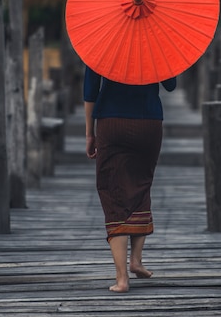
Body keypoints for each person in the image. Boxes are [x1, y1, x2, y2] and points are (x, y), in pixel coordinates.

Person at [83, 66, 177, 293]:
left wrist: (89, 132)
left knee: (112, 189)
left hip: (111, 120)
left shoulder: (103, 42)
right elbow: (171, 85)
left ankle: (122, 278)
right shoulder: (156, 43)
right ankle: (136, 261)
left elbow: (90, 90)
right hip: (149, 122)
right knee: (142, 184)